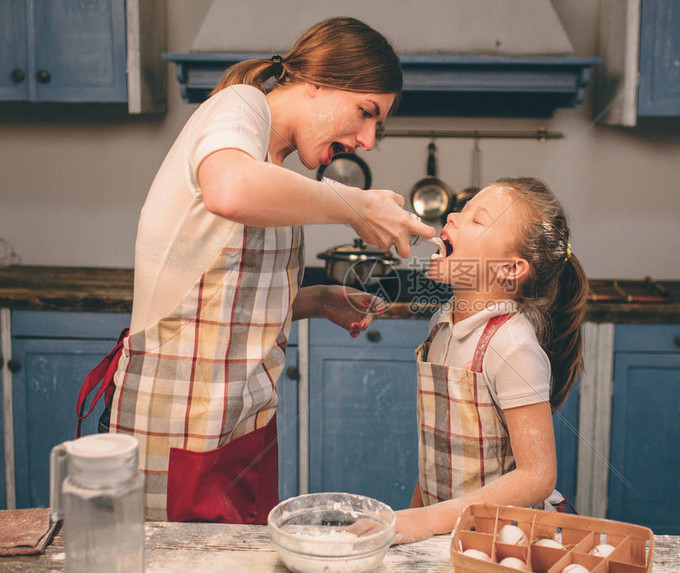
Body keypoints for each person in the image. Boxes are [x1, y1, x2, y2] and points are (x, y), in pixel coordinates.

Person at [77, 17, 434, 524]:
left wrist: (312, 300)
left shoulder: (270, 163)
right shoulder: (239, 106)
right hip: (181, 428)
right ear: (317, 83)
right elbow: (230, 191)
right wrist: (357, 206)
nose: (369, 139)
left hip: (242, 431)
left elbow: (222, 290)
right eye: (365, 112)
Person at [394, 177, 588, 544]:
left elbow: (538, 476)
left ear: (510, 269)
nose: (451, 216)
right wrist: (417, 520)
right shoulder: (441, 326)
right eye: (462, 210)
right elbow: (438, 456)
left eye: (476, 219)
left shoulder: (512, 346)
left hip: (502, 542)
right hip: (447, 534)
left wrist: (427, 520)